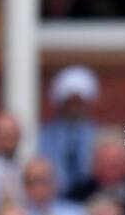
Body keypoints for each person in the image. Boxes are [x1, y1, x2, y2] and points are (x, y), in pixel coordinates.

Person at [38, 65, 100, 198]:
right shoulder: (44, 135)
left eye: (79, 102)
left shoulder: (99, 135)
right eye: (70, 102)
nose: (74, 108)